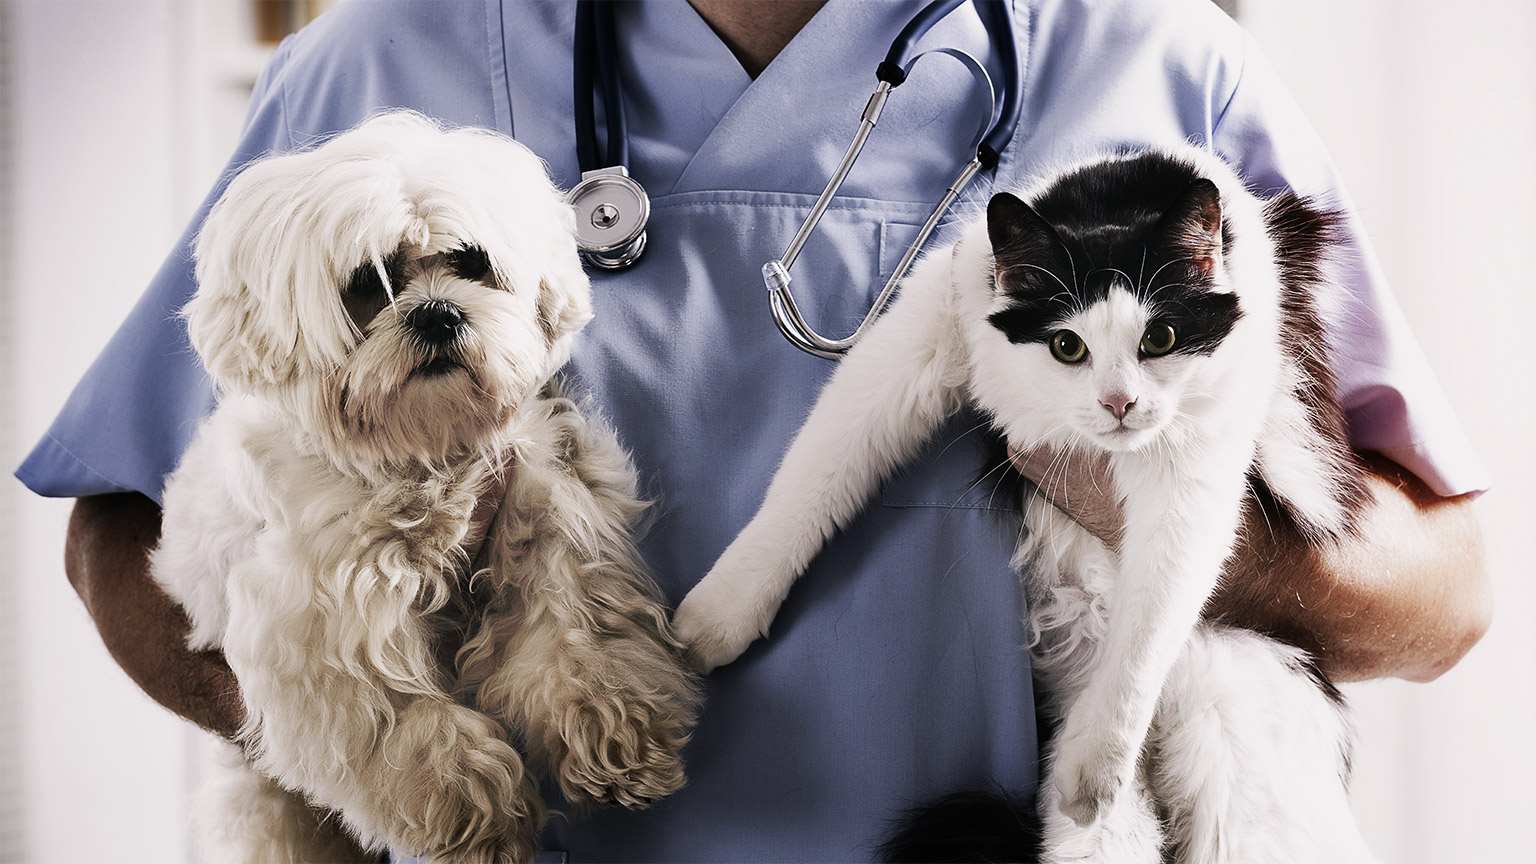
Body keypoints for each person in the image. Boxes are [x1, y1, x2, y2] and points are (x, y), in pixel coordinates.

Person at [22, 1, 1491, 861]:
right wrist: (369, 738)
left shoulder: (1149, 55)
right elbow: (118, 539)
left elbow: (1442, 596)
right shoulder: (381, 55)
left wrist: (1164, 517)